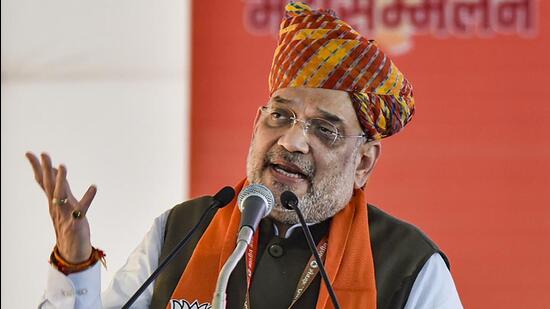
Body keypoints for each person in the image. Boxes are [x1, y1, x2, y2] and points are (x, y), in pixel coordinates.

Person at [29, 2, 462, 308]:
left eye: (324, 129)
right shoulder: (181, 230)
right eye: (280, 115)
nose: (292, 142)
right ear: (256, 125)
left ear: (364, 162)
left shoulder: (409, 265)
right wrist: (74, 263)